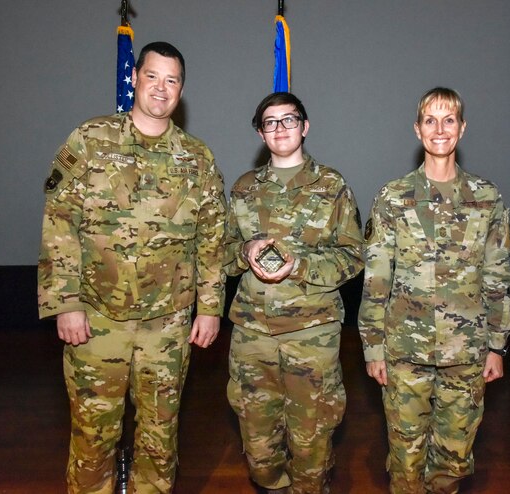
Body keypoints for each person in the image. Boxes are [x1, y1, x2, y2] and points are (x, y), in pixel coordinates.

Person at [38, 41, 226, 493]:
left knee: (160, 436)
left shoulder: (197, 157)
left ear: (181, 89)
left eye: (172, 80)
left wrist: (210, 308)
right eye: (153, 76)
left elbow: (212, 238)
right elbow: (60, 221)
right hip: (97, 318)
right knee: (93, 434)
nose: (161, 88)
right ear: (135, 78)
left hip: (169, 323)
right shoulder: (91, 140)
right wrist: (65, 303)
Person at [358, 87, 510, 494]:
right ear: (418, 129)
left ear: (462, 128)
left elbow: (497, 274)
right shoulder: (393, 197)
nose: (440, 129)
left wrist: (497, 346)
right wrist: (373, 347)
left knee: (453, 460)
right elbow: (377, 278)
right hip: (404, 351)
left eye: (449, 120)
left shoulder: (486, 198)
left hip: (466, 352)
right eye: (430, 120)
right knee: (405, 458)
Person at [223, 92, 364, 493]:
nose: (280, 128)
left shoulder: (332, 186)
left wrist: (299, 265)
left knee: (311, 439)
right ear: (260, 133)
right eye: (270, 122)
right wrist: (245, 251)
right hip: (252, 334)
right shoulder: (244, 188)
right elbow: (221, 254)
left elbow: (353, 257)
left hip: (311, 334)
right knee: (259, 447)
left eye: (289, 119)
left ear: (305, 127)